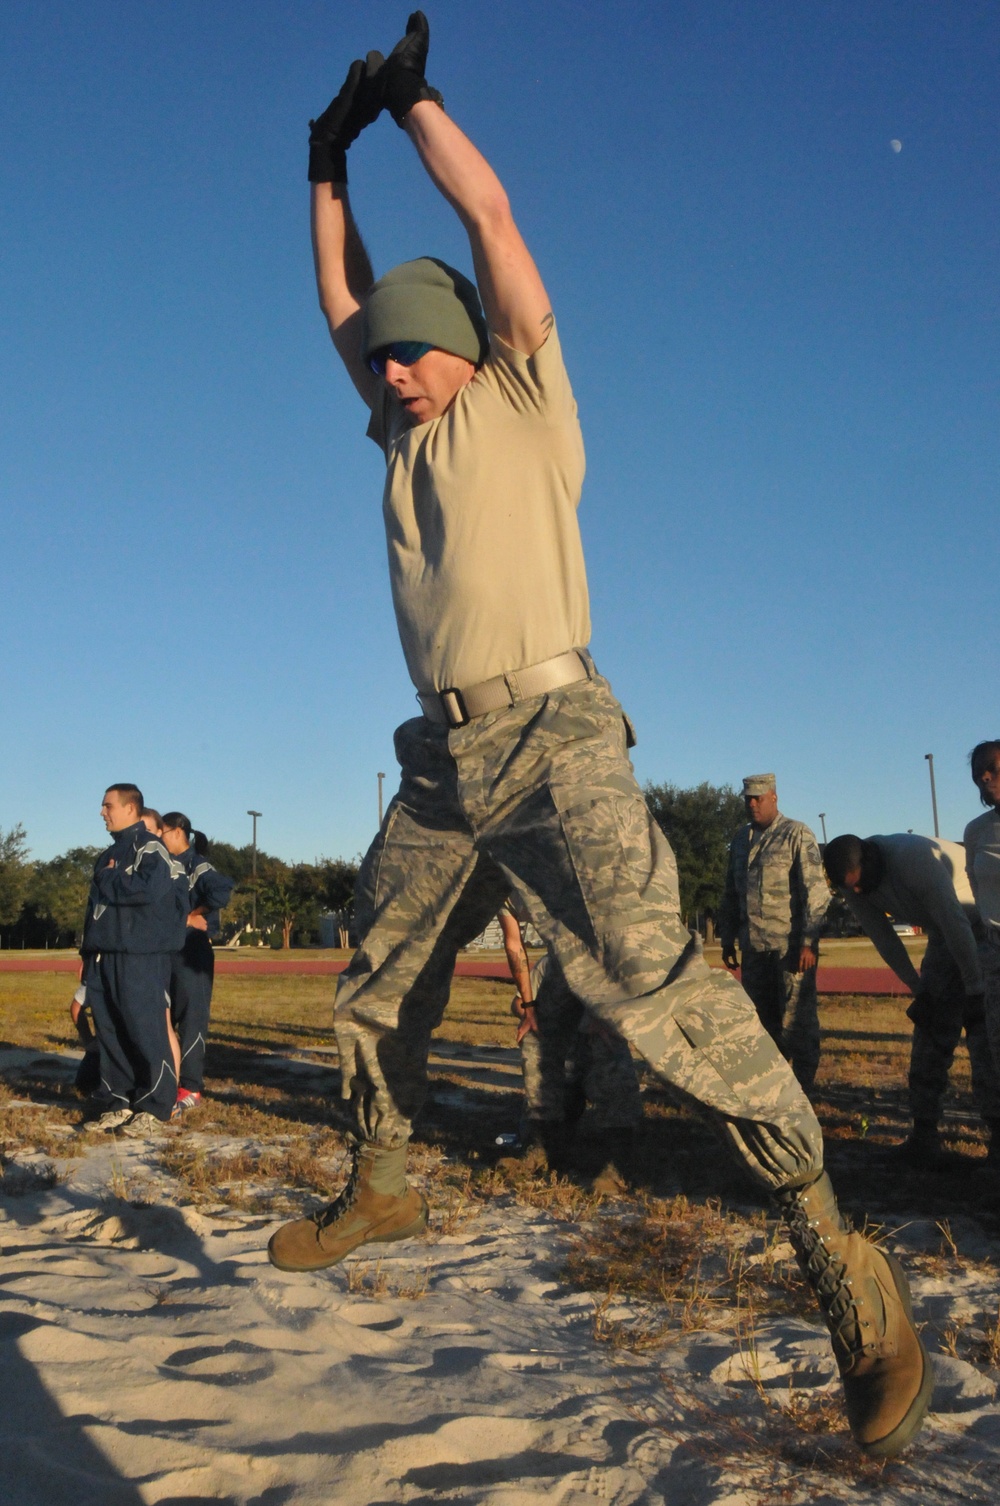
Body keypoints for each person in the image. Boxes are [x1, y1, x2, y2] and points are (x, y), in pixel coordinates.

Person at [267, 15, 931, 1456]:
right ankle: (382, 1173)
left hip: (558, 736)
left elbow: (491, 217)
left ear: (456, 349)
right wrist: (323, 164)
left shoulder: (521, 396)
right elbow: (336, 295)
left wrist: (412, 106)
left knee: (653, 985)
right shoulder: (396, 432)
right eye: (379, 364)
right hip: (440, 761)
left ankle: (843, 1265)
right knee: (376, 966)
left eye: (406, 356)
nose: (386, 374)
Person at [823, 831, 1000, 1164]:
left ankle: (998, 1140)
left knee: (986, 1036)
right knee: (930, 1031)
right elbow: (884, 939)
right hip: (943, 934)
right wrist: (919, 989)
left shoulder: (915, 860)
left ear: (872, 860)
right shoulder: (854, 883)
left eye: (861, 884)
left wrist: (975, 989)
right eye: (851, 888)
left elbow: (957, 924)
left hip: (979, 928)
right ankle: (924, 1134)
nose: (859, 892)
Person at [498, 900, 641, 1186]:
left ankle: (620, 1153)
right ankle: (542, 1139)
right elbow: (514, 947)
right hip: (569, 1080)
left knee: (606, 1039)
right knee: (534, 1033)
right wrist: (529, 1009)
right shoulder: (549, 964)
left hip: (608, 959)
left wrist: (602, 1009)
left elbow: (614, 931)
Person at [80, 784, 190, 1136]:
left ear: (130, 808)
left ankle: (156, 1106)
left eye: (107, 805)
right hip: (104, 955)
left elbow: (147, 890)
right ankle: (118, 1100)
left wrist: (111, 877)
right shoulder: (108, 854)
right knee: (111, 1030)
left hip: (139, 957)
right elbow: (95, 910)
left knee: (145, 1029)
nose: (102, 812)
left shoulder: (150, 847)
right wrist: (87, 953)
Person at [718, 774, 830, 1092]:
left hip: (790, 951)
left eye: (758, 798)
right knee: (761, 1026)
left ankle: (804, 1091)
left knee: (796, 1024)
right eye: (747, 799)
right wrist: (728, 937)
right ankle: (774, 1091)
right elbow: (730, 892)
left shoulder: (797, 834)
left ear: (774, 797)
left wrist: (809, 941)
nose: (752, 804)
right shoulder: (741, 840)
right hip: (754, 949)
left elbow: (815, 893)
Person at [160, 812, 235, 1113]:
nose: (159, 838)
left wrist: (195, 912)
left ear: (178, 832)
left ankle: (190, 1087)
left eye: (162, 832)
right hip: (168, 949)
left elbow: (222, 890)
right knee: (165, 1017)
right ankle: (166, 1079)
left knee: (192, 1019)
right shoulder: (164, 864)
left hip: (193, 952)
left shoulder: (197, 864)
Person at [964, 741, 1000, 1151]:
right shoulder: (976, 831)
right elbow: (976, 888)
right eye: (978, 773)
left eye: (991, 768)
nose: (984, 777)